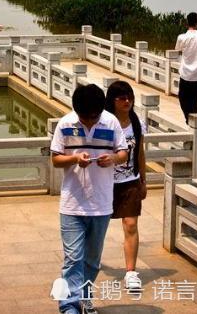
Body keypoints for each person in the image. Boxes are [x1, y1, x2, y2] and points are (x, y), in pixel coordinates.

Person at [51, 84, 128, 314]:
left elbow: (124, 154)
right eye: (84, 118)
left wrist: (113, 158)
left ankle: (84, 297)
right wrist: (74, 158)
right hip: (72, 203)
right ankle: (69, 306)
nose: (89, 122)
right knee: (73, 258)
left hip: (101, 203)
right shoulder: (65, 124)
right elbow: (55, 159)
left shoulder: (111, 122)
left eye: (93, 117)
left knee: (92, 261)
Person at [105, 81, 147, 293]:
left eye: (129, 97)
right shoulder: (104, 123)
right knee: (96, 228)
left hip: (129, 181)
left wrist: (143, 179)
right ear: (112, 100)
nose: (127, 102)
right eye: (122, 98)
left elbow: (140, 151)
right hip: (104, 182)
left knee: (130, 225)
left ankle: (131, 272)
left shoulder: (136, 123)